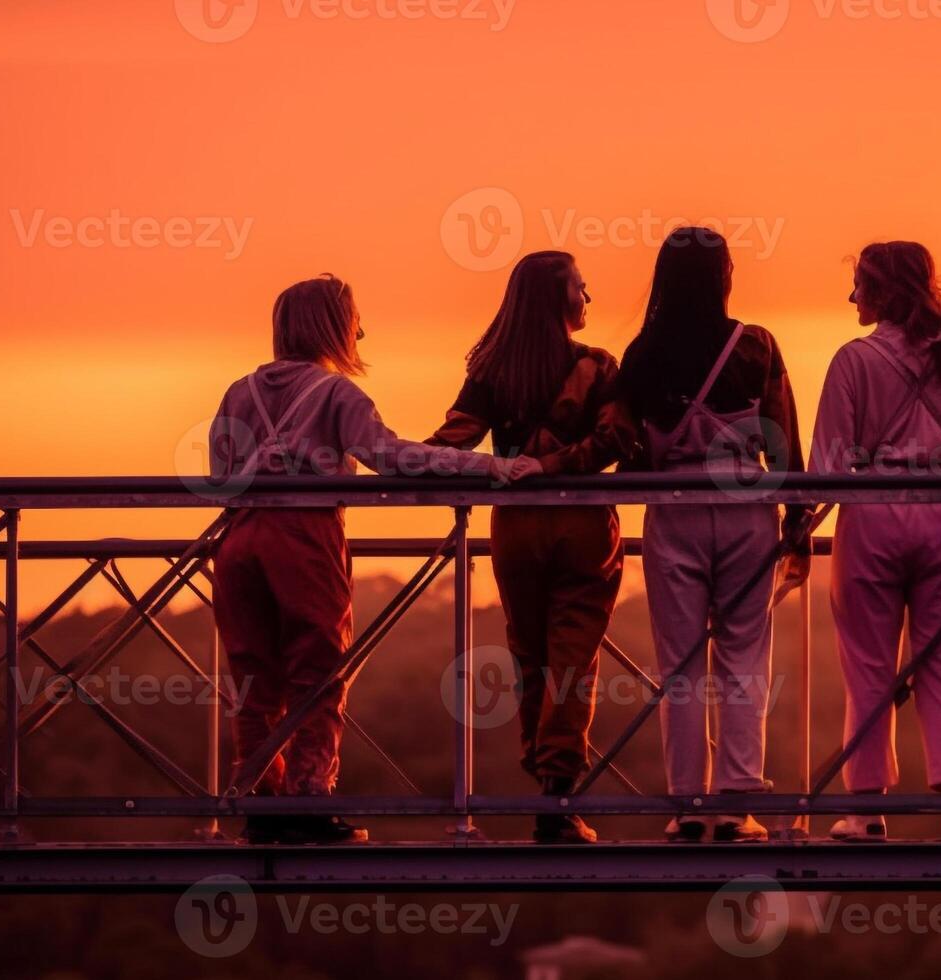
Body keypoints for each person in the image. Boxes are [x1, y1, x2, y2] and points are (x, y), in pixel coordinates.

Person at [208, 274, 520, 845]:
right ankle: (309, 801)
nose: (362, 331)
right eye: (354, 320)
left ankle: (258, 800)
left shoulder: (237, 392)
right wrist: (490, 468)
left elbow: (220, 474)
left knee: (253, 675)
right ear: (332, 326)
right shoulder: (336, 394)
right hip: (302, 538)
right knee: (319, 671)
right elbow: (390, 457)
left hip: (237, 540)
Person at [426, 251, 635, 844]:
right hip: (582, 527)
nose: (587, 299)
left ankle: (543, 774)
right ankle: (557, 795)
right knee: (574, 659)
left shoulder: (493, 370)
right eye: (581, 287)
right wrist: (551, 465)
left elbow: (454, 439)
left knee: (528, 655)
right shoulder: (597, 367)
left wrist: (397, 462)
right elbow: (613, 440)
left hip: (515, 527)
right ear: (556, 298)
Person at [617, 226, 810, 844]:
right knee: (744, 656)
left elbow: (628, 448)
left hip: (671, 509)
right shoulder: (754, 346)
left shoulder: (642, 353)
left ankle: (687, 806)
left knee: (679, 666)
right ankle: (735, 798)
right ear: (723, 275)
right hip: (744, 508)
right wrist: (798, 520)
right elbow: (781, 439)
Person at [811, 241, 941, 843]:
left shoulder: (852, 360)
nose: (852, 298)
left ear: (882, 291)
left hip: (871, 517)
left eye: (860, 286)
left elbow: (826, 467)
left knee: (869, 665)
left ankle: (867, 809)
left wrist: (795, 525)